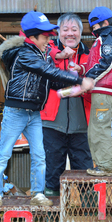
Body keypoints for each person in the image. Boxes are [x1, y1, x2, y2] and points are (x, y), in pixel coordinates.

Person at [0, 11, 95, 206]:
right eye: (46, 36)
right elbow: (49, 71)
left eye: (75, 29)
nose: (50, 39)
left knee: (44, 157)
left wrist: (74, 86)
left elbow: (51, 80)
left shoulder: (74, 54)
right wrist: (79, 79)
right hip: (33, 116)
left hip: (52, 117)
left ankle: (41, 195)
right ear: (33, 36)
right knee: (8, 153)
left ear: (81, 32)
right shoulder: (32, 53)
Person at [40, 13, 93, 196]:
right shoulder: (48, 52)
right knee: (52, 169)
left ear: (81, 32)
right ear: (58, 33)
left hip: (82, 123)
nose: (70, 34)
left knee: (85, 169)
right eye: (65, 29)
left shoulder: (89, 55)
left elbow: (98, 84)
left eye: (74, 29)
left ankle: (89, 215)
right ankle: (52, 217)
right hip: (51, 121)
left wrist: (84, 76)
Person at [82, 7, 112, 177]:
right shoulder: (107, 38)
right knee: (95, 128)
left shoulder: (107, 38)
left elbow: (106, 62)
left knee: (100, 129)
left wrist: (89, 78)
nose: (92, 30)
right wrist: (82, 69)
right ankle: (102, 165)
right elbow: (97, 62)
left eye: (93, 26)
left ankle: (106, 166)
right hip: (103, 90)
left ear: (103, 23)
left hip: (104, 91)